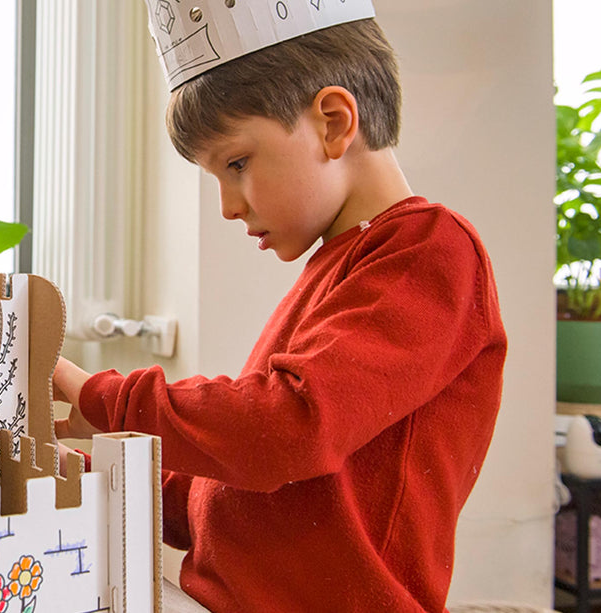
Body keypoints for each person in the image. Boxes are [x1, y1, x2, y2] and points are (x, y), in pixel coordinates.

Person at [52, 6, 506, 613]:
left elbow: (285, 430)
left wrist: (99, 400)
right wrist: (93, 478)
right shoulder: (337, 266)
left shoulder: (430, 252)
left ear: (334, 122)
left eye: (236, 164)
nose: (227, 207)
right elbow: (237, 496)